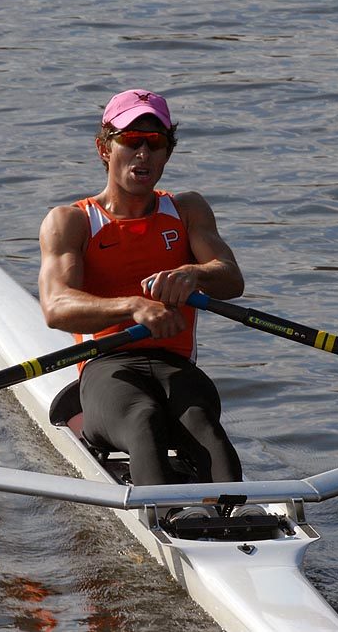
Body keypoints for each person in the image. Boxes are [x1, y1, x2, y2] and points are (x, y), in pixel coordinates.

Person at [38, 89, 244, 487]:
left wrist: (194, 274)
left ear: (168, 152)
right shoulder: (72, 221)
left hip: (176, 366)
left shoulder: (187, 209)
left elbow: (231, 279)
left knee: (206, 428)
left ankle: (234, 520)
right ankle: (165, 521)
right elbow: (55, 306)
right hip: (107, 366)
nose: (143, 154)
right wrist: (133, 307)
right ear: (104, 149)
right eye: (131, 142)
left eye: (155, 144)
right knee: (143, 420)